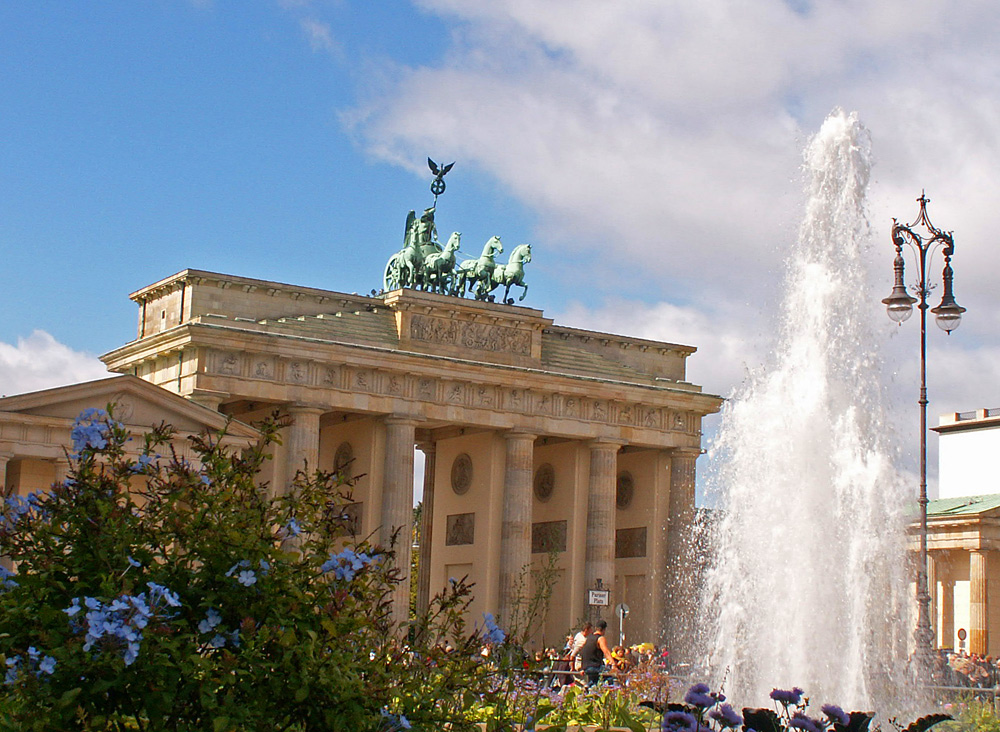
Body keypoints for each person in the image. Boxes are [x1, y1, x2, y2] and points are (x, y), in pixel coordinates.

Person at [579, 619, 613, 687]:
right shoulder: (600, 638)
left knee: (594, 682)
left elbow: (583, 652)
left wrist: (583, 668)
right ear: (604, 629)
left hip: (586, 667)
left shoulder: (588, 638)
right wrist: (613, 663)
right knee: (610, 676)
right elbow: (606, 651)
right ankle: (611, 693)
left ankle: (588, 688)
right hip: (595, 667)